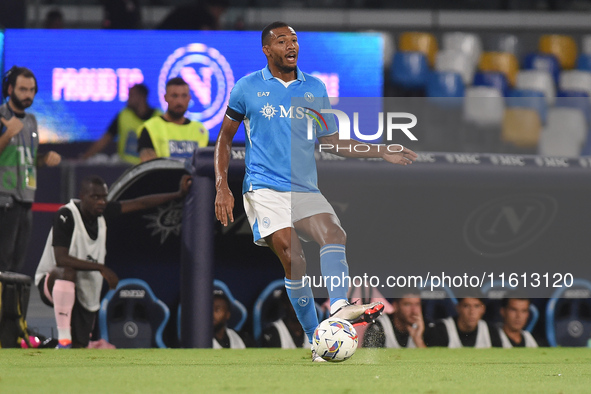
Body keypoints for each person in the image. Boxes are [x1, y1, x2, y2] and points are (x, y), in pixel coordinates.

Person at [213, 21, 418, 362]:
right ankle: (316, 340)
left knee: (334, 233)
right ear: (267, 49)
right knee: (294, 258)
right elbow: (223, 139)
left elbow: (332, 141)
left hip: (304, 188)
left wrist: (379, 149)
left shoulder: (315, 88)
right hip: (264, 188)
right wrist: (222, 185)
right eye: (282, 41)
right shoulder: (246, 88)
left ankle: (338, 306)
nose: (291, 46)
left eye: (294, 40)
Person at [34, 174, 191, 348]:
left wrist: (177, 194)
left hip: (85, 288)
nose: (101, 202)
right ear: (83, 196)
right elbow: (61, 259)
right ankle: (63, 339)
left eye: (104, 197)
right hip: (53, 282)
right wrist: (100, 268)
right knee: (66, 271)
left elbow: (140, 203)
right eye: (95, 197)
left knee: (80, 346)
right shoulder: (66, 215)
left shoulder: (103, 213)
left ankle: (70, 350)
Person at [0, 66, 61, 272]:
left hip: (26, 199)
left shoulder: (32, 122)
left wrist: (45, 159)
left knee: (17, 264)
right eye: (23, 89)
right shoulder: (2, 116)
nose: (28, 95)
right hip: (4, 198)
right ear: (9, 89)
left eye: (32, 90)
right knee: (2, 261)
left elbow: (28, 160)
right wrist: (7, 135)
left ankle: (10, 305)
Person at [82, 84, 161, 165]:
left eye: (131, 95)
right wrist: (85, 157)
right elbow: (106, 139)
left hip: (149, 166)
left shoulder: (158, 117)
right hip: (124, 166)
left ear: (141, 97)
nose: (128, 99)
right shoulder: (124, 115)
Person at [137, 77, 209, 163]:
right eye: (174, 96)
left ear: (189, 98)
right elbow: (148, 168)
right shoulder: (150, 128)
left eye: (184, 96)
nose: (179, 101)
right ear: (165, 97)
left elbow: (205, 165)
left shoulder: (200, 130)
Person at [424, 297, 503, 348]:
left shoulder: (491, 331)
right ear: (458, 308)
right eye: (466, 306)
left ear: (483, 309)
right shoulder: (441, 330)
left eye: (476, 306)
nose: (472, 312)